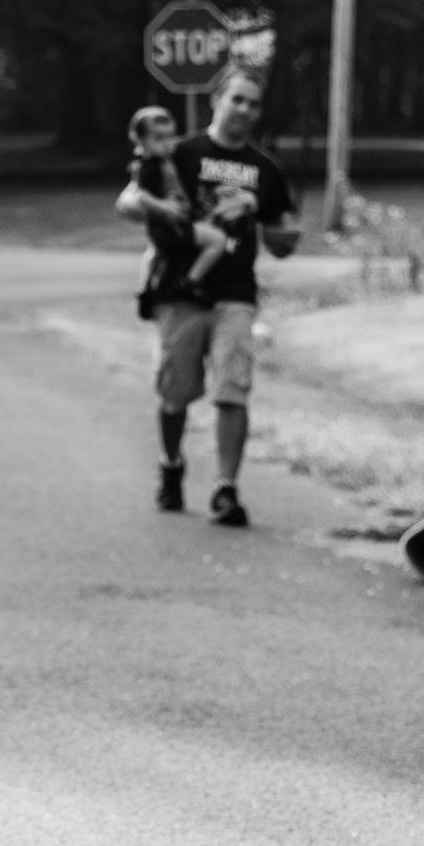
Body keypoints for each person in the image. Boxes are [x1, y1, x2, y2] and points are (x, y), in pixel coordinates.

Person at [115, 70, 300, 526]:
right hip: (181, 292)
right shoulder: (182, 152)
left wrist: (262, 215)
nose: (244, 111)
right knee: (175, 393)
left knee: (232, 388)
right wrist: (160, 209)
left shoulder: (265, 169)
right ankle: (171, 465)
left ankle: (225, 490)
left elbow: (284, 240)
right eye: (237, 100)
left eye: (253, 104)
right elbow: (126, 202)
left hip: (235, 293)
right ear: (218, 100)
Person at [124, 105, 232, 313]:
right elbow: (140, 195)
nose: (167, 144)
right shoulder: (149, 166)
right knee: (217, 240)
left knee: (155, 252)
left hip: (166, 228)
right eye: (159, 138)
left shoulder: (162, 160)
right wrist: (165, 208)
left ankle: (146, 291)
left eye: (170, 137)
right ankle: (190, 282)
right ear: (140, 140)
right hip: (172, 227)